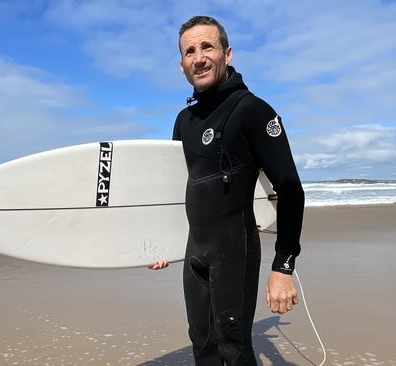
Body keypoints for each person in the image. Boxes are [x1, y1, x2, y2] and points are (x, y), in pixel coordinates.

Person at [148, 15, 305, 365]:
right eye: (190, 51)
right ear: (182, 65)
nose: (199, 57)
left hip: (235, 249)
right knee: (202, 344)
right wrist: (162, 243)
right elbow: (179, 192)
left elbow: (290, 188)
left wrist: (283, 267)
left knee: (233, 347)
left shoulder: (252, 110)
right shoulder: (183, 121)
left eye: (207, 47)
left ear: (227, 53)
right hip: (194, 254)